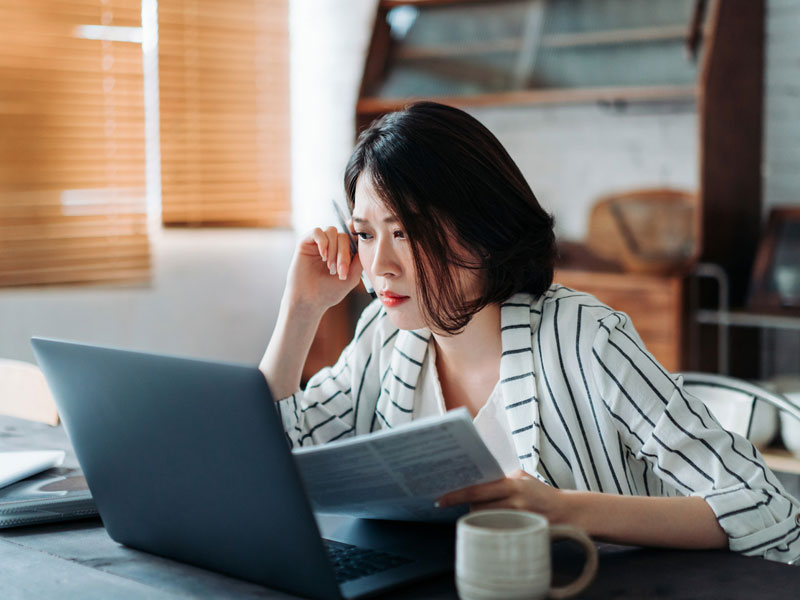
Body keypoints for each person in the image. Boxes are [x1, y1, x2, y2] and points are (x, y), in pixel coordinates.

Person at [260, 101, 800, 563]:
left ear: (482, 230)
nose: (379, 265)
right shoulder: (385, 334)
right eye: (365, 233)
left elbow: (764, 505)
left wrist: (567, 510)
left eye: (404, 232)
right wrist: (300, 309)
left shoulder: (586, 339)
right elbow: (270, 456)